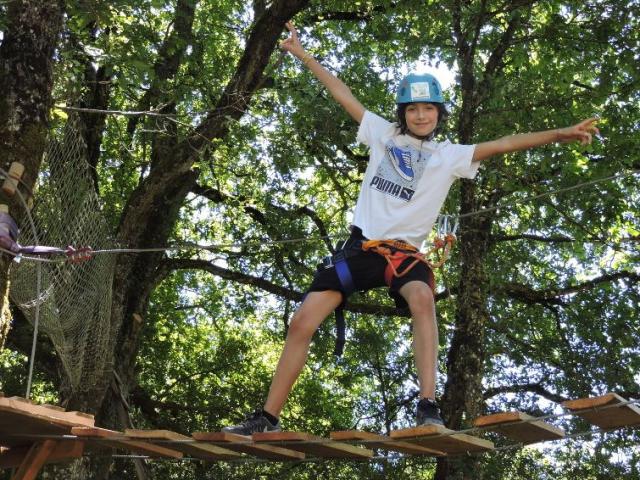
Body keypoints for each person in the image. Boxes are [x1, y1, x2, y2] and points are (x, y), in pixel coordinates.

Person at [223, 22, 599, 435]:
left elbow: (507, 143)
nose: (421, 115)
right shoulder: (383, 135)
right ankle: (267, 417)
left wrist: (559, 134)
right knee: (302, 322)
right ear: (403, 113)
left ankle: (428, 404)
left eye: (429, 109)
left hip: (404, 256)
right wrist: (304, 55)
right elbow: (342, 94)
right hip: (360, 249)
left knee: (422, 297)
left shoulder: (450, 156)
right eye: (413, 109)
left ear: (439, 114)